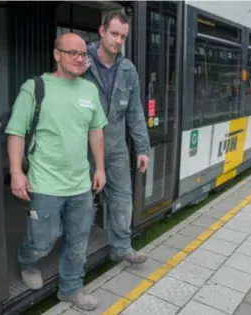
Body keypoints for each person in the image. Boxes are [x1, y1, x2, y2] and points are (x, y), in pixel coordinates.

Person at [5, 33, 107, 311]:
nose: (79, 58)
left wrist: (99, 168)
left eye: (83, 54)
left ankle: (71, 289)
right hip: (45, 184)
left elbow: (96, 131)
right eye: (72, 52)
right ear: (57, 54)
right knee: (42, 241)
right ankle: (27, 260)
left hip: (80, 185)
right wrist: (16, 172)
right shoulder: (35, 87)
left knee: (78, 242)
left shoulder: (89, 91)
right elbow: (15, 133)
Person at [84, 11, 151, 265]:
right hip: (84, 150)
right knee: (83, 207)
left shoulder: (128, 70)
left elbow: (135, 112)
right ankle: (75, 258)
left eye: (123, 36)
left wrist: (142, 148)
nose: (118, 40)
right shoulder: (83, 63)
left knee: (123, 199)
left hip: (116, 149)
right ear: (102, 31)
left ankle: (121, 248)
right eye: (114, 34)